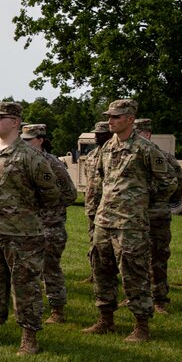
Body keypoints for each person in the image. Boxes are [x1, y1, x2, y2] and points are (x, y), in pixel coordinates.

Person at [0, 101, 60, 356]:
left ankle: (29, 337)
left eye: (1, 117)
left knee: (25, 286)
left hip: (23, 234)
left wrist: (24, 213)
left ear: (16, 122)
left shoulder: (30, 156)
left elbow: (51, 195)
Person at [84, 99, 176, 343]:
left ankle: (141, 326)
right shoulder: (106, 148)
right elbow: (100, 181)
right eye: (109, 117)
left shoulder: (145, 149)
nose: (110, 121)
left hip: (130, 223)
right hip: (105, 221)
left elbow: (169, 182)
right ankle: (106, 319)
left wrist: (142, 202)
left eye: (115, 117)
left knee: (134, 273)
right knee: (102, 270)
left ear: (130, 119)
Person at [21, 124, 77, 323]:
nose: (24, 143)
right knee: (27, 271)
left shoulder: (53, 164)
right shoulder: (24, 161)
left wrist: (49, 206)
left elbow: (70, 194)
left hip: (50, 227)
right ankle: (32, 309)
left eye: (28, 140)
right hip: (28, 227)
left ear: (40, 140)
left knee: (50, 270)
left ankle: (57, 311)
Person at [135, 118, 182, 313]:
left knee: (157, 258)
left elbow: (178, 186)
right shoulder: (132, 157)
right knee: (135, 258)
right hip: (135, 217)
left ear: (147, 134)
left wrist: (156, 199)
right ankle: (139, 295)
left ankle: (159, 300)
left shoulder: (163, 157)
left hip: (157, 217)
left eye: (137, 133)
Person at [81, 121, 112, 284]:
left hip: (109, 208)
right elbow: (89, 179)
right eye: (96, 134)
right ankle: (95, 274)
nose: (96, 137)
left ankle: (111, 276)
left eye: (101, 134)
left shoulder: (113, 154)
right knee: (93, 241)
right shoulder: (92, 155)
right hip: (93, 206)